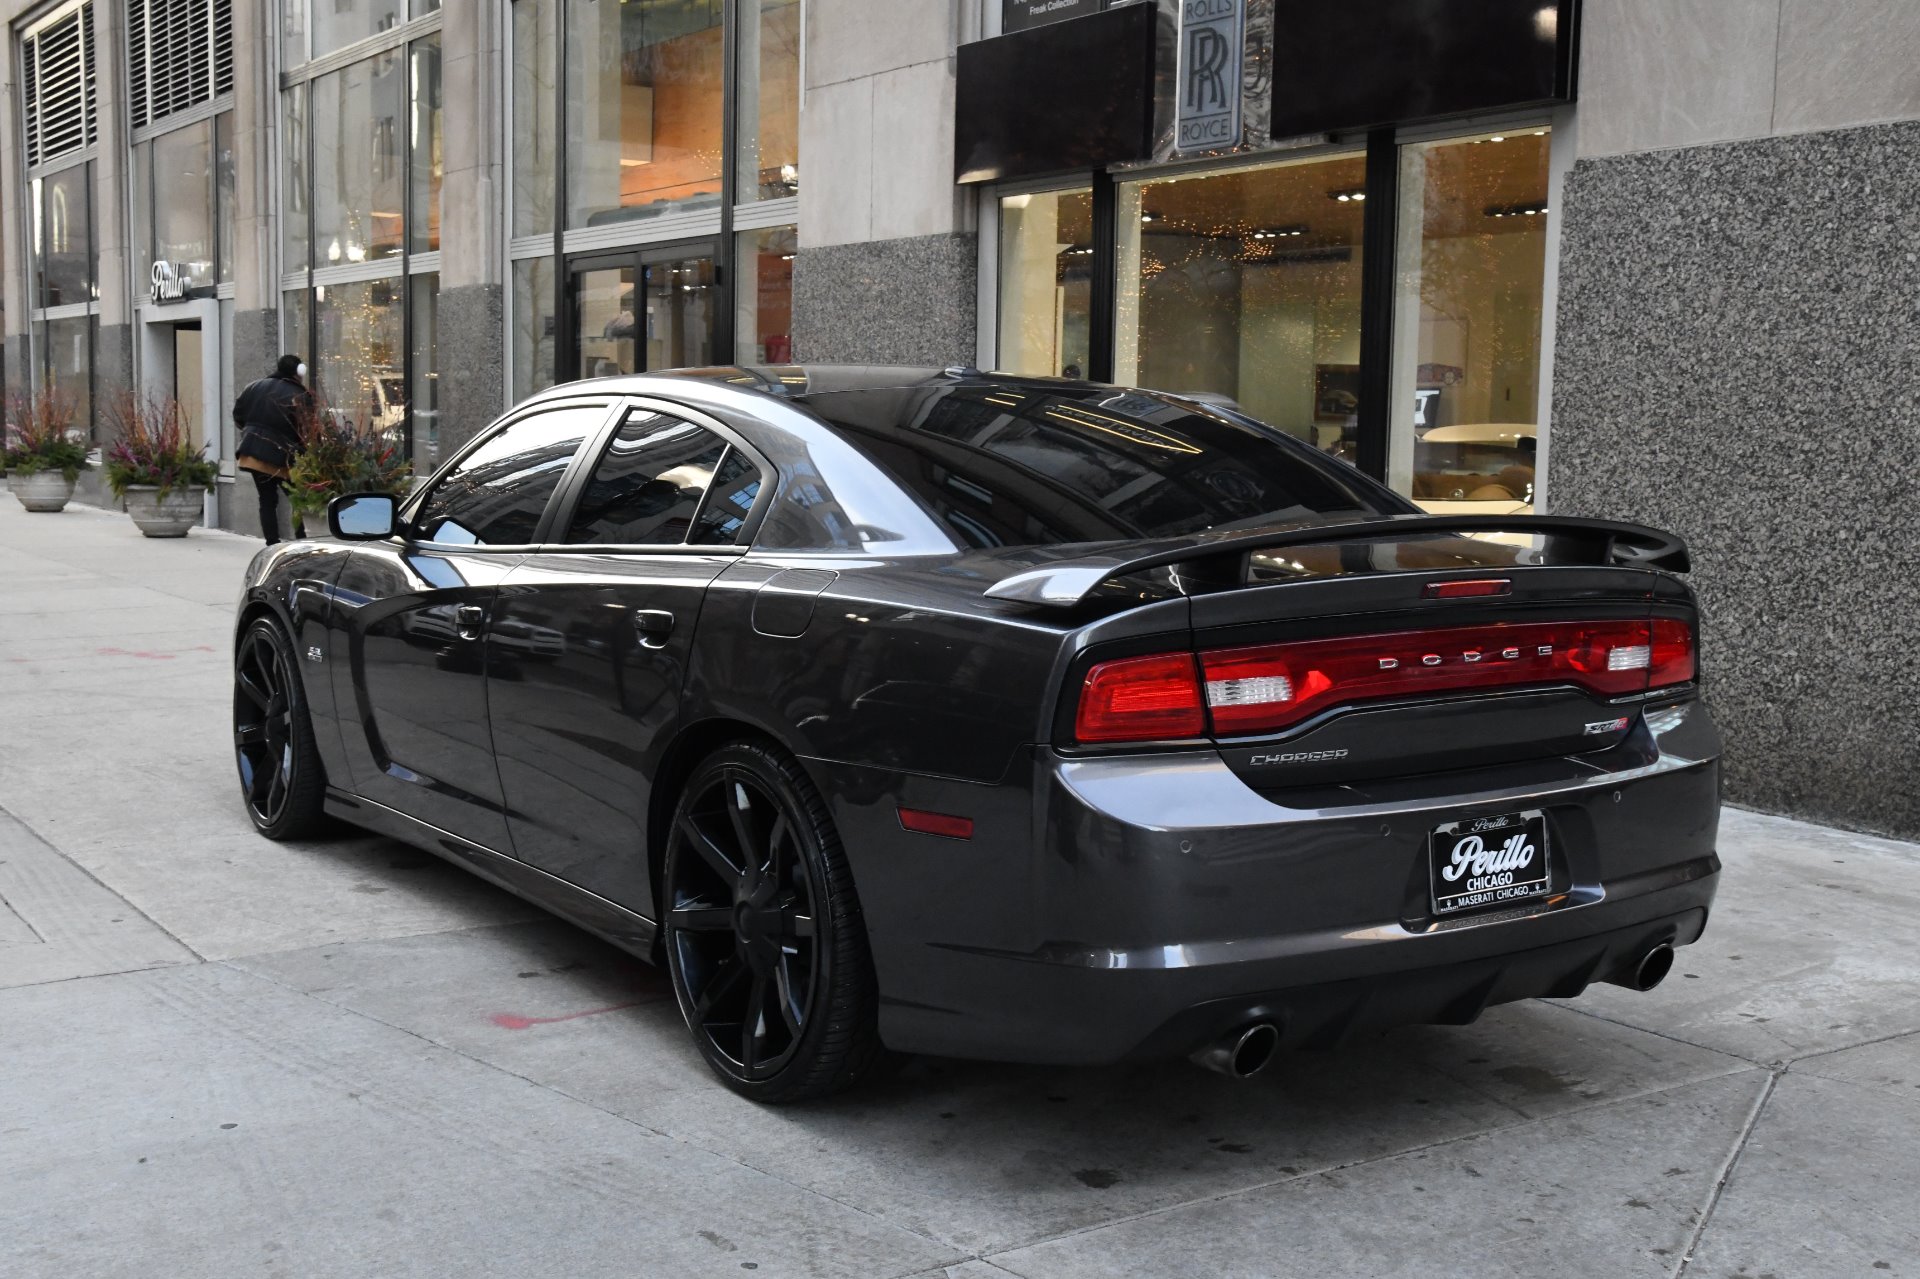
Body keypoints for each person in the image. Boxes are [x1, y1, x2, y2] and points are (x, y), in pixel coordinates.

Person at [234, 355, 313, 545]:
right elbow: (306, 428)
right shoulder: (300, 395)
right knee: (297, 499)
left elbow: (238, 415)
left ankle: (272, 542)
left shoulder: (254, 386)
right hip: (283, 455)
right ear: (299, 372)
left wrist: (251, 431)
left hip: (252, 452)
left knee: (267, 500)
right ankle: (302, 539)